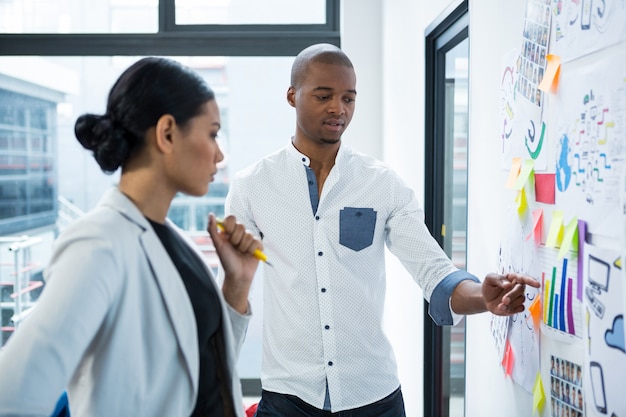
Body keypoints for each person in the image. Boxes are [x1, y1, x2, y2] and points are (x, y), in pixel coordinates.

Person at [221, 43, 540, 416]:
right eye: (324, 96)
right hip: (288, 396)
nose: (338, 109)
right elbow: (234, 287)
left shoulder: (382, 184)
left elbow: (434, 272)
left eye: (348, 98)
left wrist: (483, 299)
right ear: (292, 96)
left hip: (373, 395)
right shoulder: (252, 186)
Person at [0, 57, 263, 417]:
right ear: (167, 133)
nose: (220, 154)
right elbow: (14, 396)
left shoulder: (170, 239)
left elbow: (200, 366)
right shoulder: (99, 244)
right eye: (213, 133)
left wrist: (237, 284)